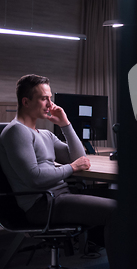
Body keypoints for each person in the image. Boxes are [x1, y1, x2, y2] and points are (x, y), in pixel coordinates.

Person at [0, 74, 116, 257]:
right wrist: (72, 168)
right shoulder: (16, 131)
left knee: (124, 200)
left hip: (59, 197)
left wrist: (65, 124)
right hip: (43, 204)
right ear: (26, 102)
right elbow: (35, 178)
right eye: (44, 98)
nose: (50, 104)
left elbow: (79, 157)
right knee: (115, 212)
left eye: (50, 98)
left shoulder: (44, 134)